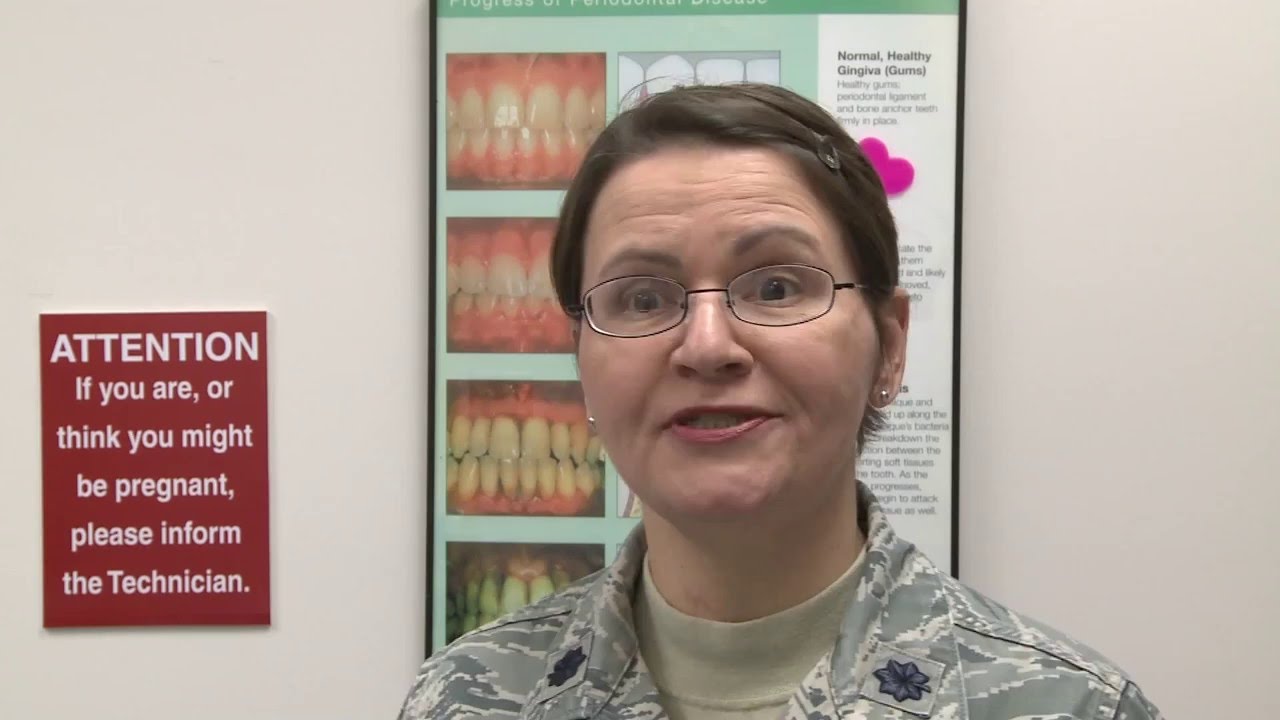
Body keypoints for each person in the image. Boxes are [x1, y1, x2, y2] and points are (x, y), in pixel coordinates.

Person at [399, 82, 1164, 720]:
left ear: (889, 345)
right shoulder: (464, 698)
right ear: (582, 362)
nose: (706, 346)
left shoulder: (1070, 708)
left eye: (774, 287)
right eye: (642, 298)